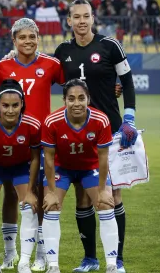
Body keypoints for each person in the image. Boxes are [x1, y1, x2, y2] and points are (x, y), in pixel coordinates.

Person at [53, 0, 137, 272]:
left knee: (113, 195)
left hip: (111, 132)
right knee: (83, 197)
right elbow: (42, 74)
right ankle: (90, 258)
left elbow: (127, 81)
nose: (81, 21)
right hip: (77, 135)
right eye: (76, 17)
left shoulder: (110, 46)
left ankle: (118, 259)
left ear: (93, 18)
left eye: (86, 16)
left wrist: (129, 118)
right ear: (69, 20)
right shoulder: (62, 51)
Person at [0, 17, 65, 271]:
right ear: (14, 40)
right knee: (10, 193)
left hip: (42, 141)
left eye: (32, 36)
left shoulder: (51, 65)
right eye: (22, 37)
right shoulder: (2, 67)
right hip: (10, 139)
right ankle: (10, 253)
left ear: (38, 38)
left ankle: (42, 253)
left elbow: (75, 86)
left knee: (40, 195)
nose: (28, 41)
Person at [40, 78, 118, 273]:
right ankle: (53, 266)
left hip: (89, 167)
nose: (77, 103)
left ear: (88, 99)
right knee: (51, 207)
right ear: (64, 100)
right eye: (71, 99)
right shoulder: (52, 121)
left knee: (106, 204)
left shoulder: (101, 120)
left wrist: (102, 190)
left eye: (81, 98)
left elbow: (103, 158)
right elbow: (48, 159)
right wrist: (50, 191)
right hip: (61, 168)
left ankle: (111, 265)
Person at [0, 79, 42, 273]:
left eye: (15, 105)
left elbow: (36, 158)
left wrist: (30, 190)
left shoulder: (32, 124)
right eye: (5, 105)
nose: (10, 110)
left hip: (21, 167)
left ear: (22, 104)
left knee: (29, 207)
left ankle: (23, 262)